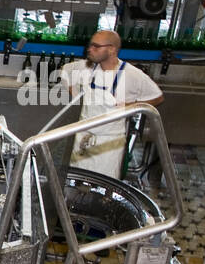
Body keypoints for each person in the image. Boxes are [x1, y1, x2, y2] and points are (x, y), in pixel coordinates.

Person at [59, 30, 163, 180]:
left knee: (103, 188)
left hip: (108, 144)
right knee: (75, 182)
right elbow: (64, 72)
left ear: (112, 49)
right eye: (90, 45)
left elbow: (157, 97)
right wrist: (76, 95)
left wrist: (130, 106)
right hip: (82, 139)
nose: (90, 49)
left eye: (96, 46)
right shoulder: (85, 67)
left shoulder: (132, 74)